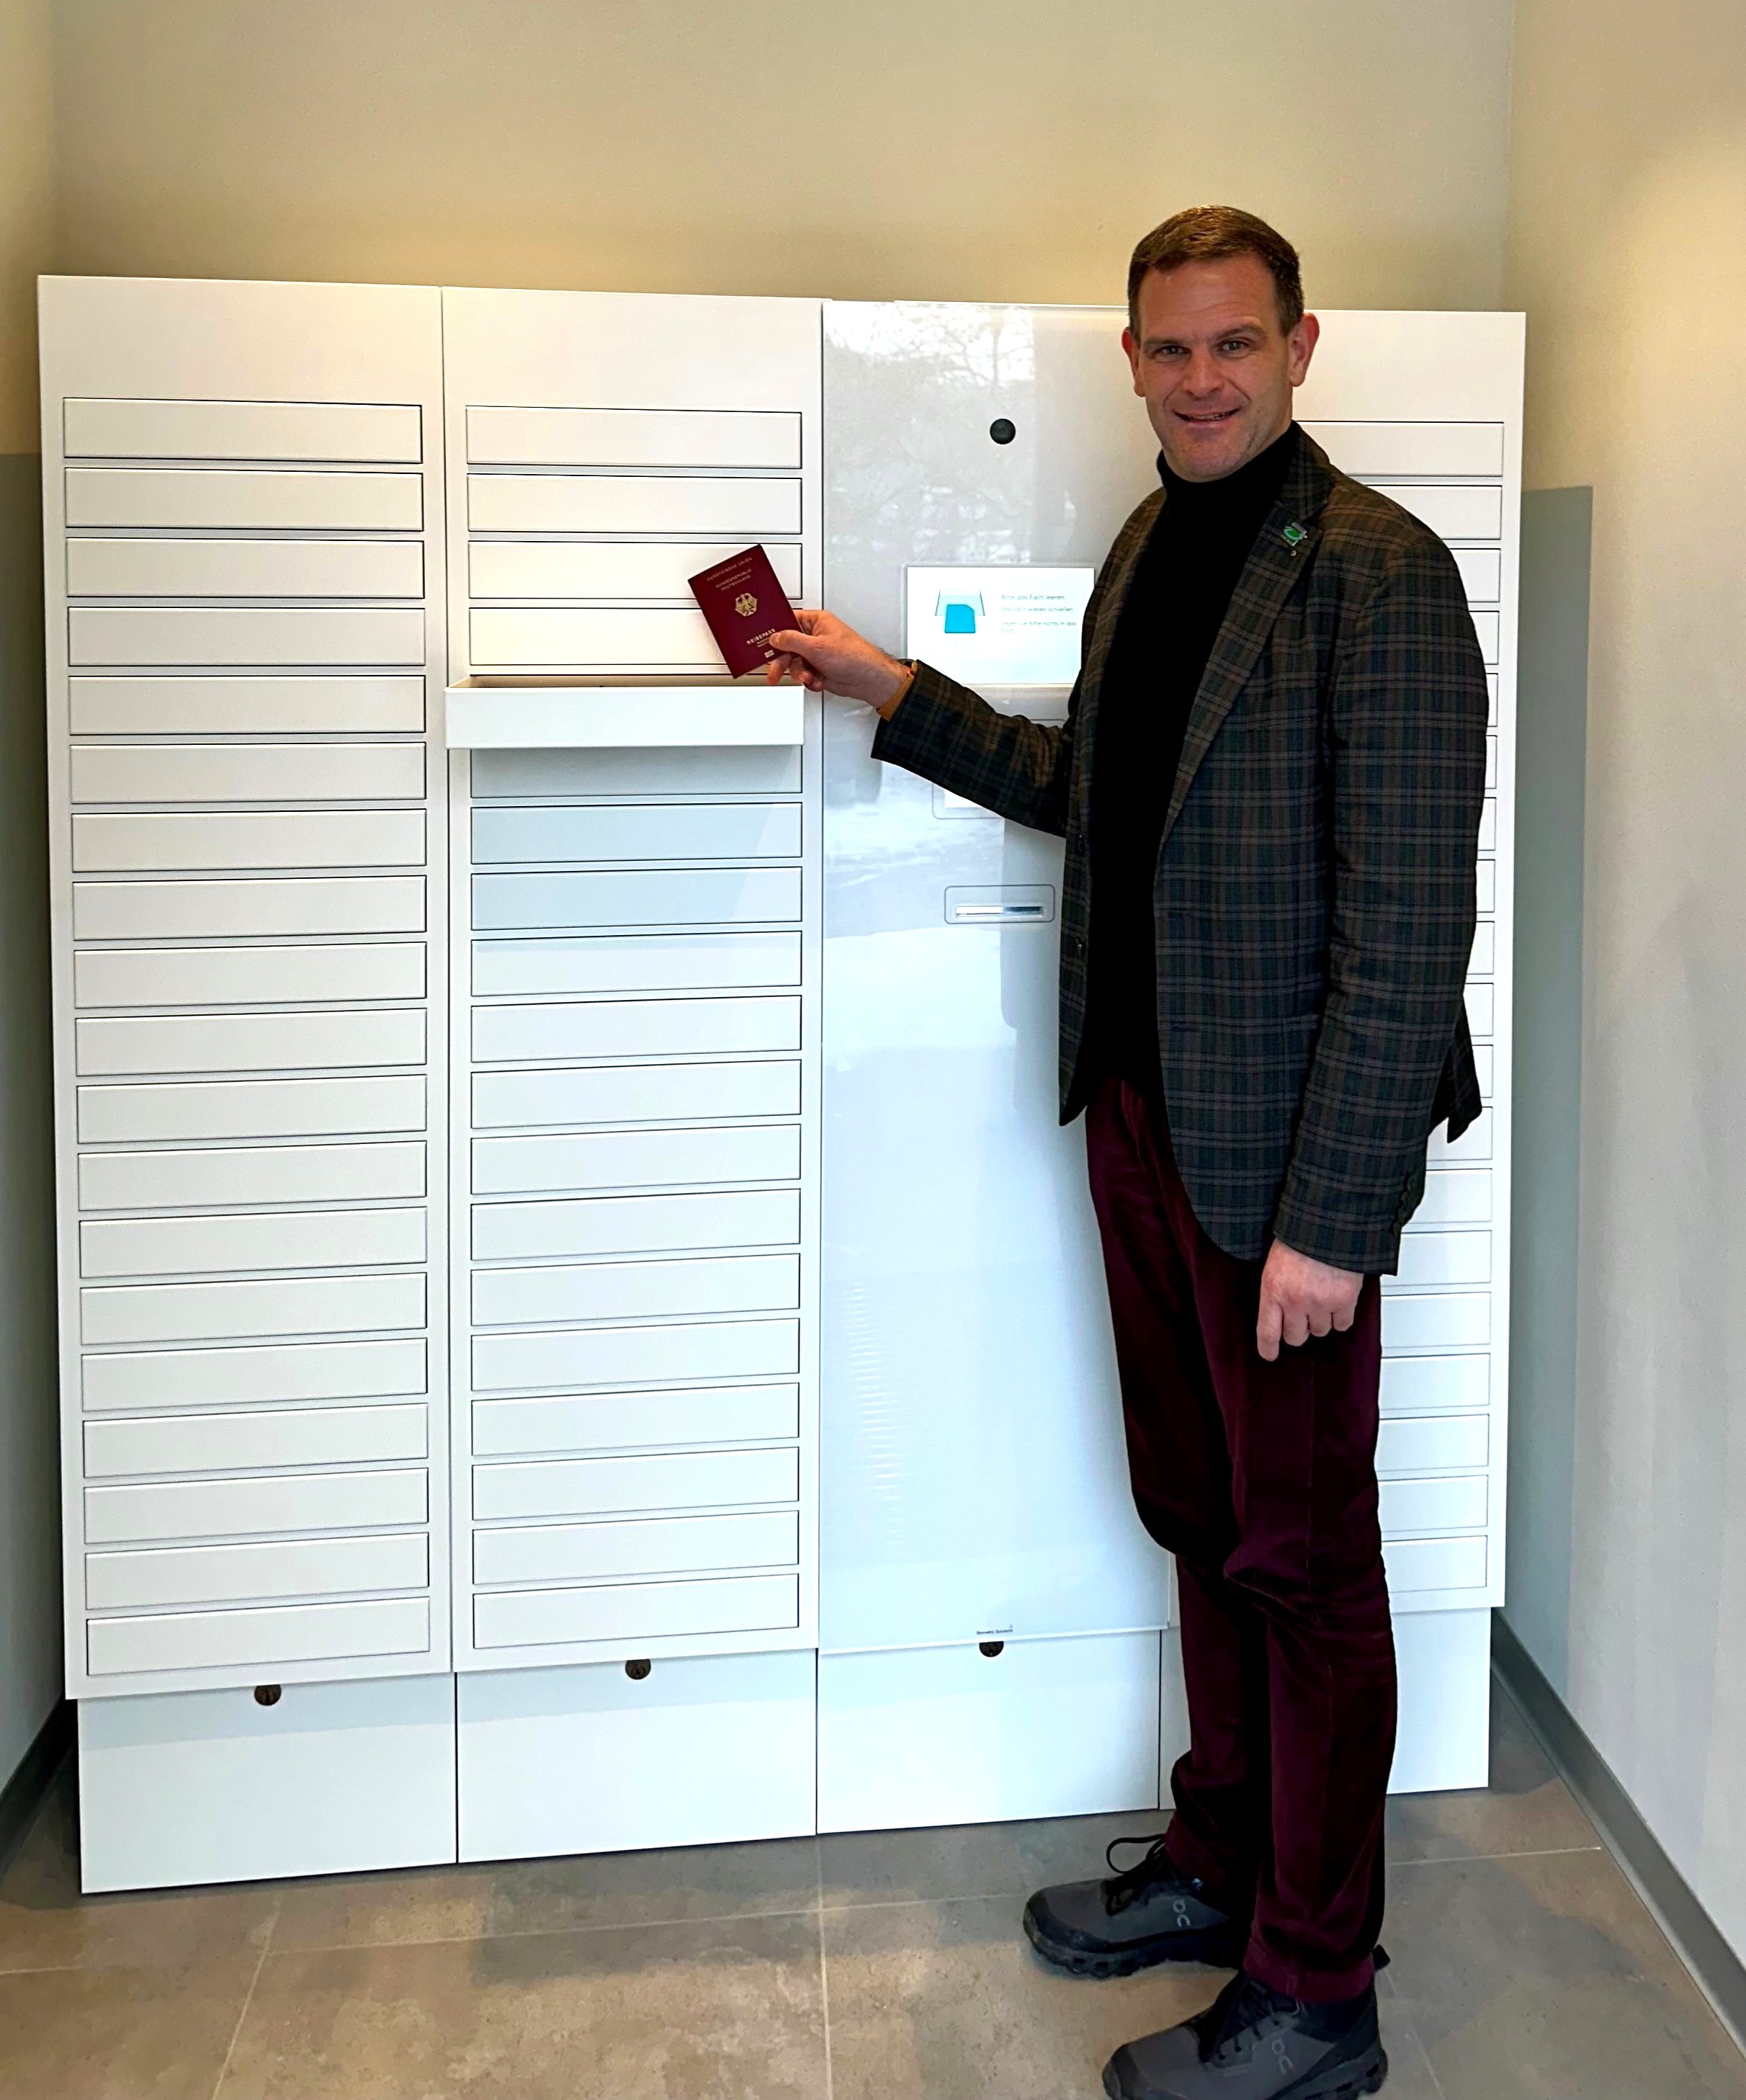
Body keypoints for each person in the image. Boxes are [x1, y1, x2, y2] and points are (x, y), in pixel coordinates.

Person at [767, 205, 1488, 2100]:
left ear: (1302, 345)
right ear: (1132, 359)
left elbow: (1407, 924)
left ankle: (1317, 1991)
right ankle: (1223, 1856)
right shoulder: (1152, 549)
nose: (1201, 379)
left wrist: (1334, 1222)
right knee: (1203, 1518)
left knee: (1305, 1561)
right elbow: (1093, 792)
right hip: (1152, 1122)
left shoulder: (1382, 575)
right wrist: (886, 688)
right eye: (1170, 348)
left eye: (1235, 343)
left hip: (1288, 1172)